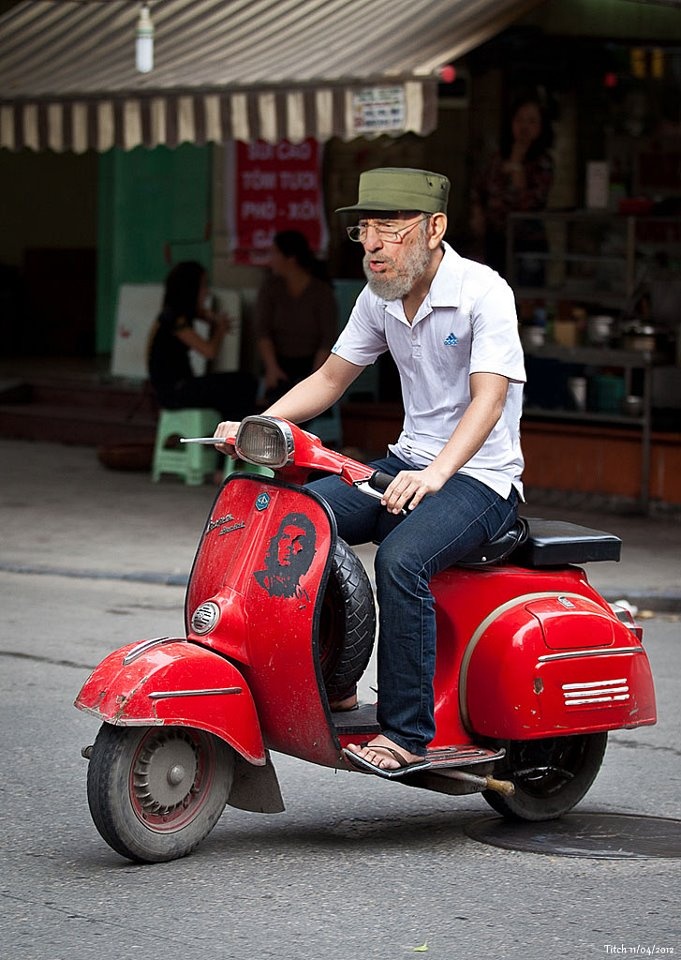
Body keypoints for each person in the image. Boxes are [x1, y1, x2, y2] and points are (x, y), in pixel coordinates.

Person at [215, 167, 526, 778]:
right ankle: (336, 678)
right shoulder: (378, 298)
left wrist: (436, 474)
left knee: (401, 559)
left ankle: (408, 734)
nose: (374, 245)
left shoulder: (483, 292)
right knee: (302, 518)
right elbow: (330, 379)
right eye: (365, 230)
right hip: (407, 462)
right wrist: (258, 424)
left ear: (435, 229)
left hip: (482, 480)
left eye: (391, 228)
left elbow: (488, 401)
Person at [147, 260, 257, 420]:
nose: (206, 292)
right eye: (203, 286)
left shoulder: (175, 314)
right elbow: (209, 351)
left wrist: (214, 318)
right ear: (191, 289)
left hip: (179, 388)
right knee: (243, 384)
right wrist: (220, 330)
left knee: (239, 384)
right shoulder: (174, 320)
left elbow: (200, 313)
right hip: (174, 392)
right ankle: (237, 434)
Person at [470, 95, 554, 281]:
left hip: (527, 240)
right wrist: (478, 213)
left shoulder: (543, 162)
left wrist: (517, 169)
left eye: (531, 121)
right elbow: (480, 188)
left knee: (527, 293)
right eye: (520, 120)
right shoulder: (497, 159)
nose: (524, 127)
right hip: (495, 239)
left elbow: (533, 200)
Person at [255, 230, 338, 403]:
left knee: (311, 403)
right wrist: (272, 367)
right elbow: (263, 332)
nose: (271, 259)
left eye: (275, 253)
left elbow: (328, 338)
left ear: (290, 258)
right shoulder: (271, 288)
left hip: (312, 362)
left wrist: (316, 378)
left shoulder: (321, 292)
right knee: (274, 402)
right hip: (280, 362)